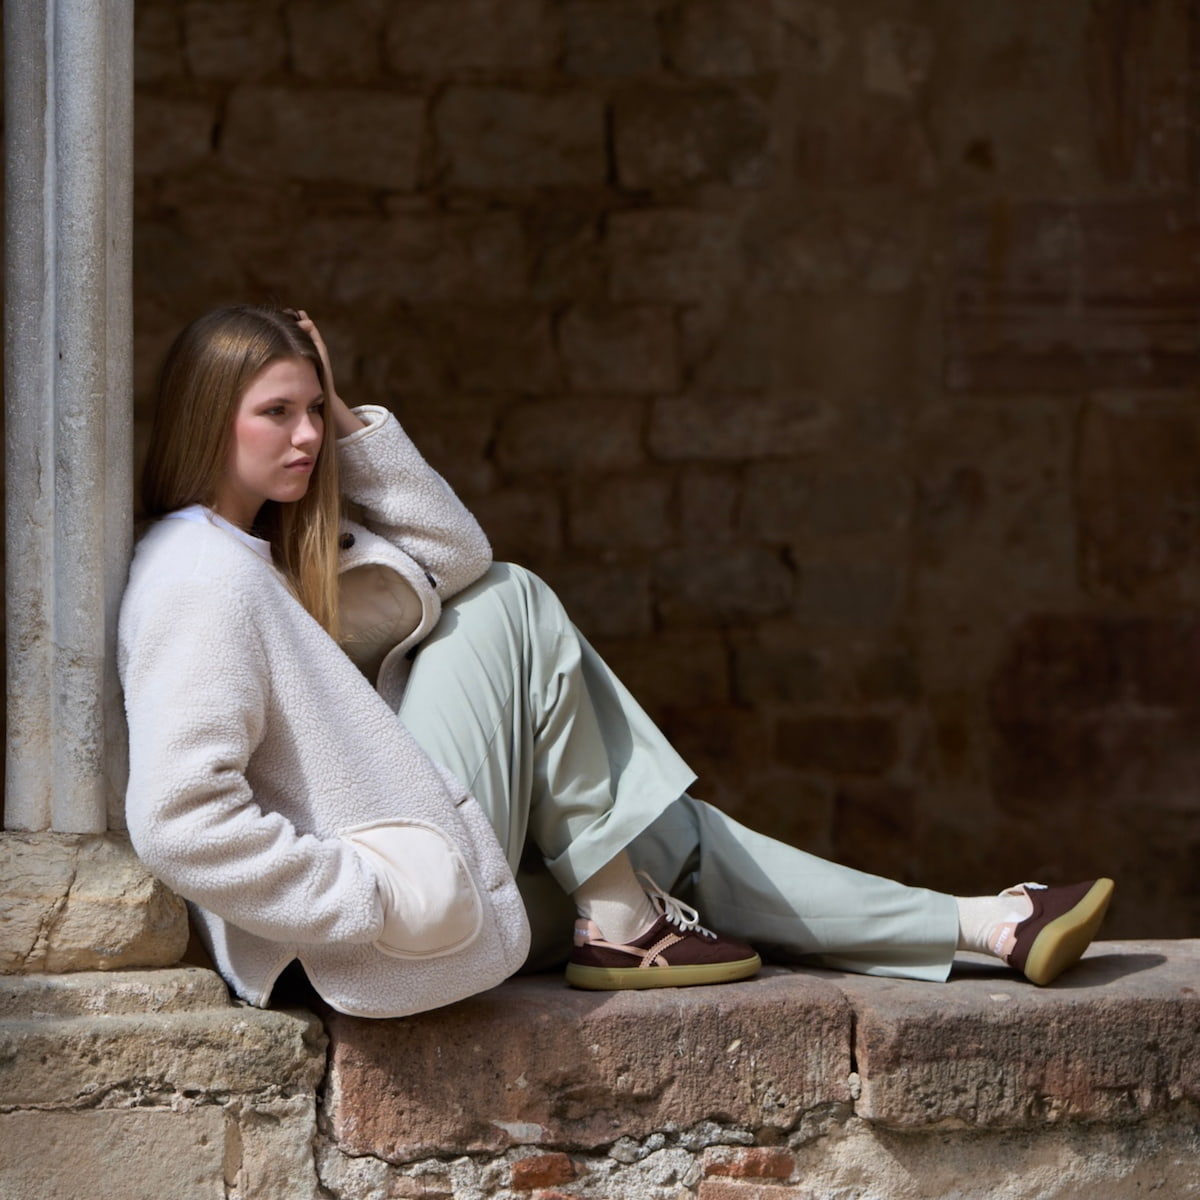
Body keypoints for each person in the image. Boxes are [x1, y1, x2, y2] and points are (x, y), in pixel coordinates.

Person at [119, 305, 1114, 1019]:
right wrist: (359, 898)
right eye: (277, 413)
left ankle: (980, 927)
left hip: (407, 906)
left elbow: (447, 554)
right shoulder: (198, 574)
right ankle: (626, 909)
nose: (304, 436)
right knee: (512, 600)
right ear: (211, 417)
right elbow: (178, 816)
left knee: (657, 835)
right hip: (346, 933)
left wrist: (351, 422)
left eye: (311, 411)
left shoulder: (266, 552)